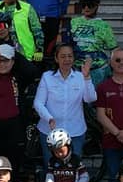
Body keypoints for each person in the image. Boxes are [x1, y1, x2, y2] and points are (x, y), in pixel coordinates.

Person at [33, 43, 96, 172]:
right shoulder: (47, 77)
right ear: (56, 59)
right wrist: (49, 118)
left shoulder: (80, 77)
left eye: (69, 56)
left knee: (74, 170)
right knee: (51, 170)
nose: (66, 60)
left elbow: (90, 98)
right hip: (50, 132)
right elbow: (38, 103)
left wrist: (87, 77)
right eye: (63, 56)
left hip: (75, 132)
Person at [66, 0, 117, 84]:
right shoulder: (73, 22)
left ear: (97, 5)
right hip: (77, 69)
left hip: (97, 70)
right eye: (83, 4)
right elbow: (67, 46)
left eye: (90, 4)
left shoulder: (104, 26)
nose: (86, 8)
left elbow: (114, 49)